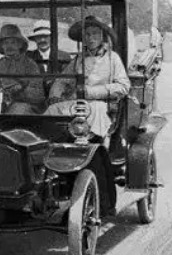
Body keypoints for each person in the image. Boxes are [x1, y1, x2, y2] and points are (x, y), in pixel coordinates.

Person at [45, 15, 130, 217]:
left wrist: (92, 92)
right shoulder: (79, 59)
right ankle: (49, 151)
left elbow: (123, 86)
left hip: (101, 105)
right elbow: (63, 79)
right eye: (87, 34)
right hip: (78, 104)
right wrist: (56, 94)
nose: (90, 38)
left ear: (102, 36)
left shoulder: (113, 58)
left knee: (93, 111)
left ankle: (90, 150)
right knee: (52, 113)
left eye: (94, 34)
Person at [0, 24, 45, 114]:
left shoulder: (30, 65)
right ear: (1, 46)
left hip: (23, 104)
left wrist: (18, 91)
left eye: (13, 42)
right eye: (6, 43)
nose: (9, 46)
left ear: (20, 45)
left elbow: (38, 94)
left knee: (17, 111)